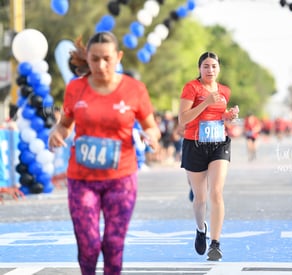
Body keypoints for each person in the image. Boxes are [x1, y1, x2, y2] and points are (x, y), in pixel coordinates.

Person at [47, 31, 160, 275]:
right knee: (87, 246)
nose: (101, 65)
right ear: (86, 58)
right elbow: (64, 125)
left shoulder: (135, 89)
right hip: (82, 179)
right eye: (95, 59)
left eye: (107, 58)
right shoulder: (75, 88)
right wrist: (56, 134)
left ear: (118, 57)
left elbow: (151, 125)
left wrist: (151, 136)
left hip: (121, 179)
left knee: (113, 244)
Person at [178, 51, 238, 261]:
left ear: (219, 68)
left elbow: (218, 116)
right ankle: (200, 228)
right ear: (199, 69)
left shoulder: (224, 91)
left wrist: (228, 116)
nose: (210, 70)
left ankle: (215, 243)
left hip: (219, 144)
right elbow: (183, 120)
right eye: (206, 66)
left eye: (213, 66)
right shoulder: (191, 88)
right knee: (200, 198)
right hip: (194, 144)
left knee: (216, 192)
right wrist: (204, 103)